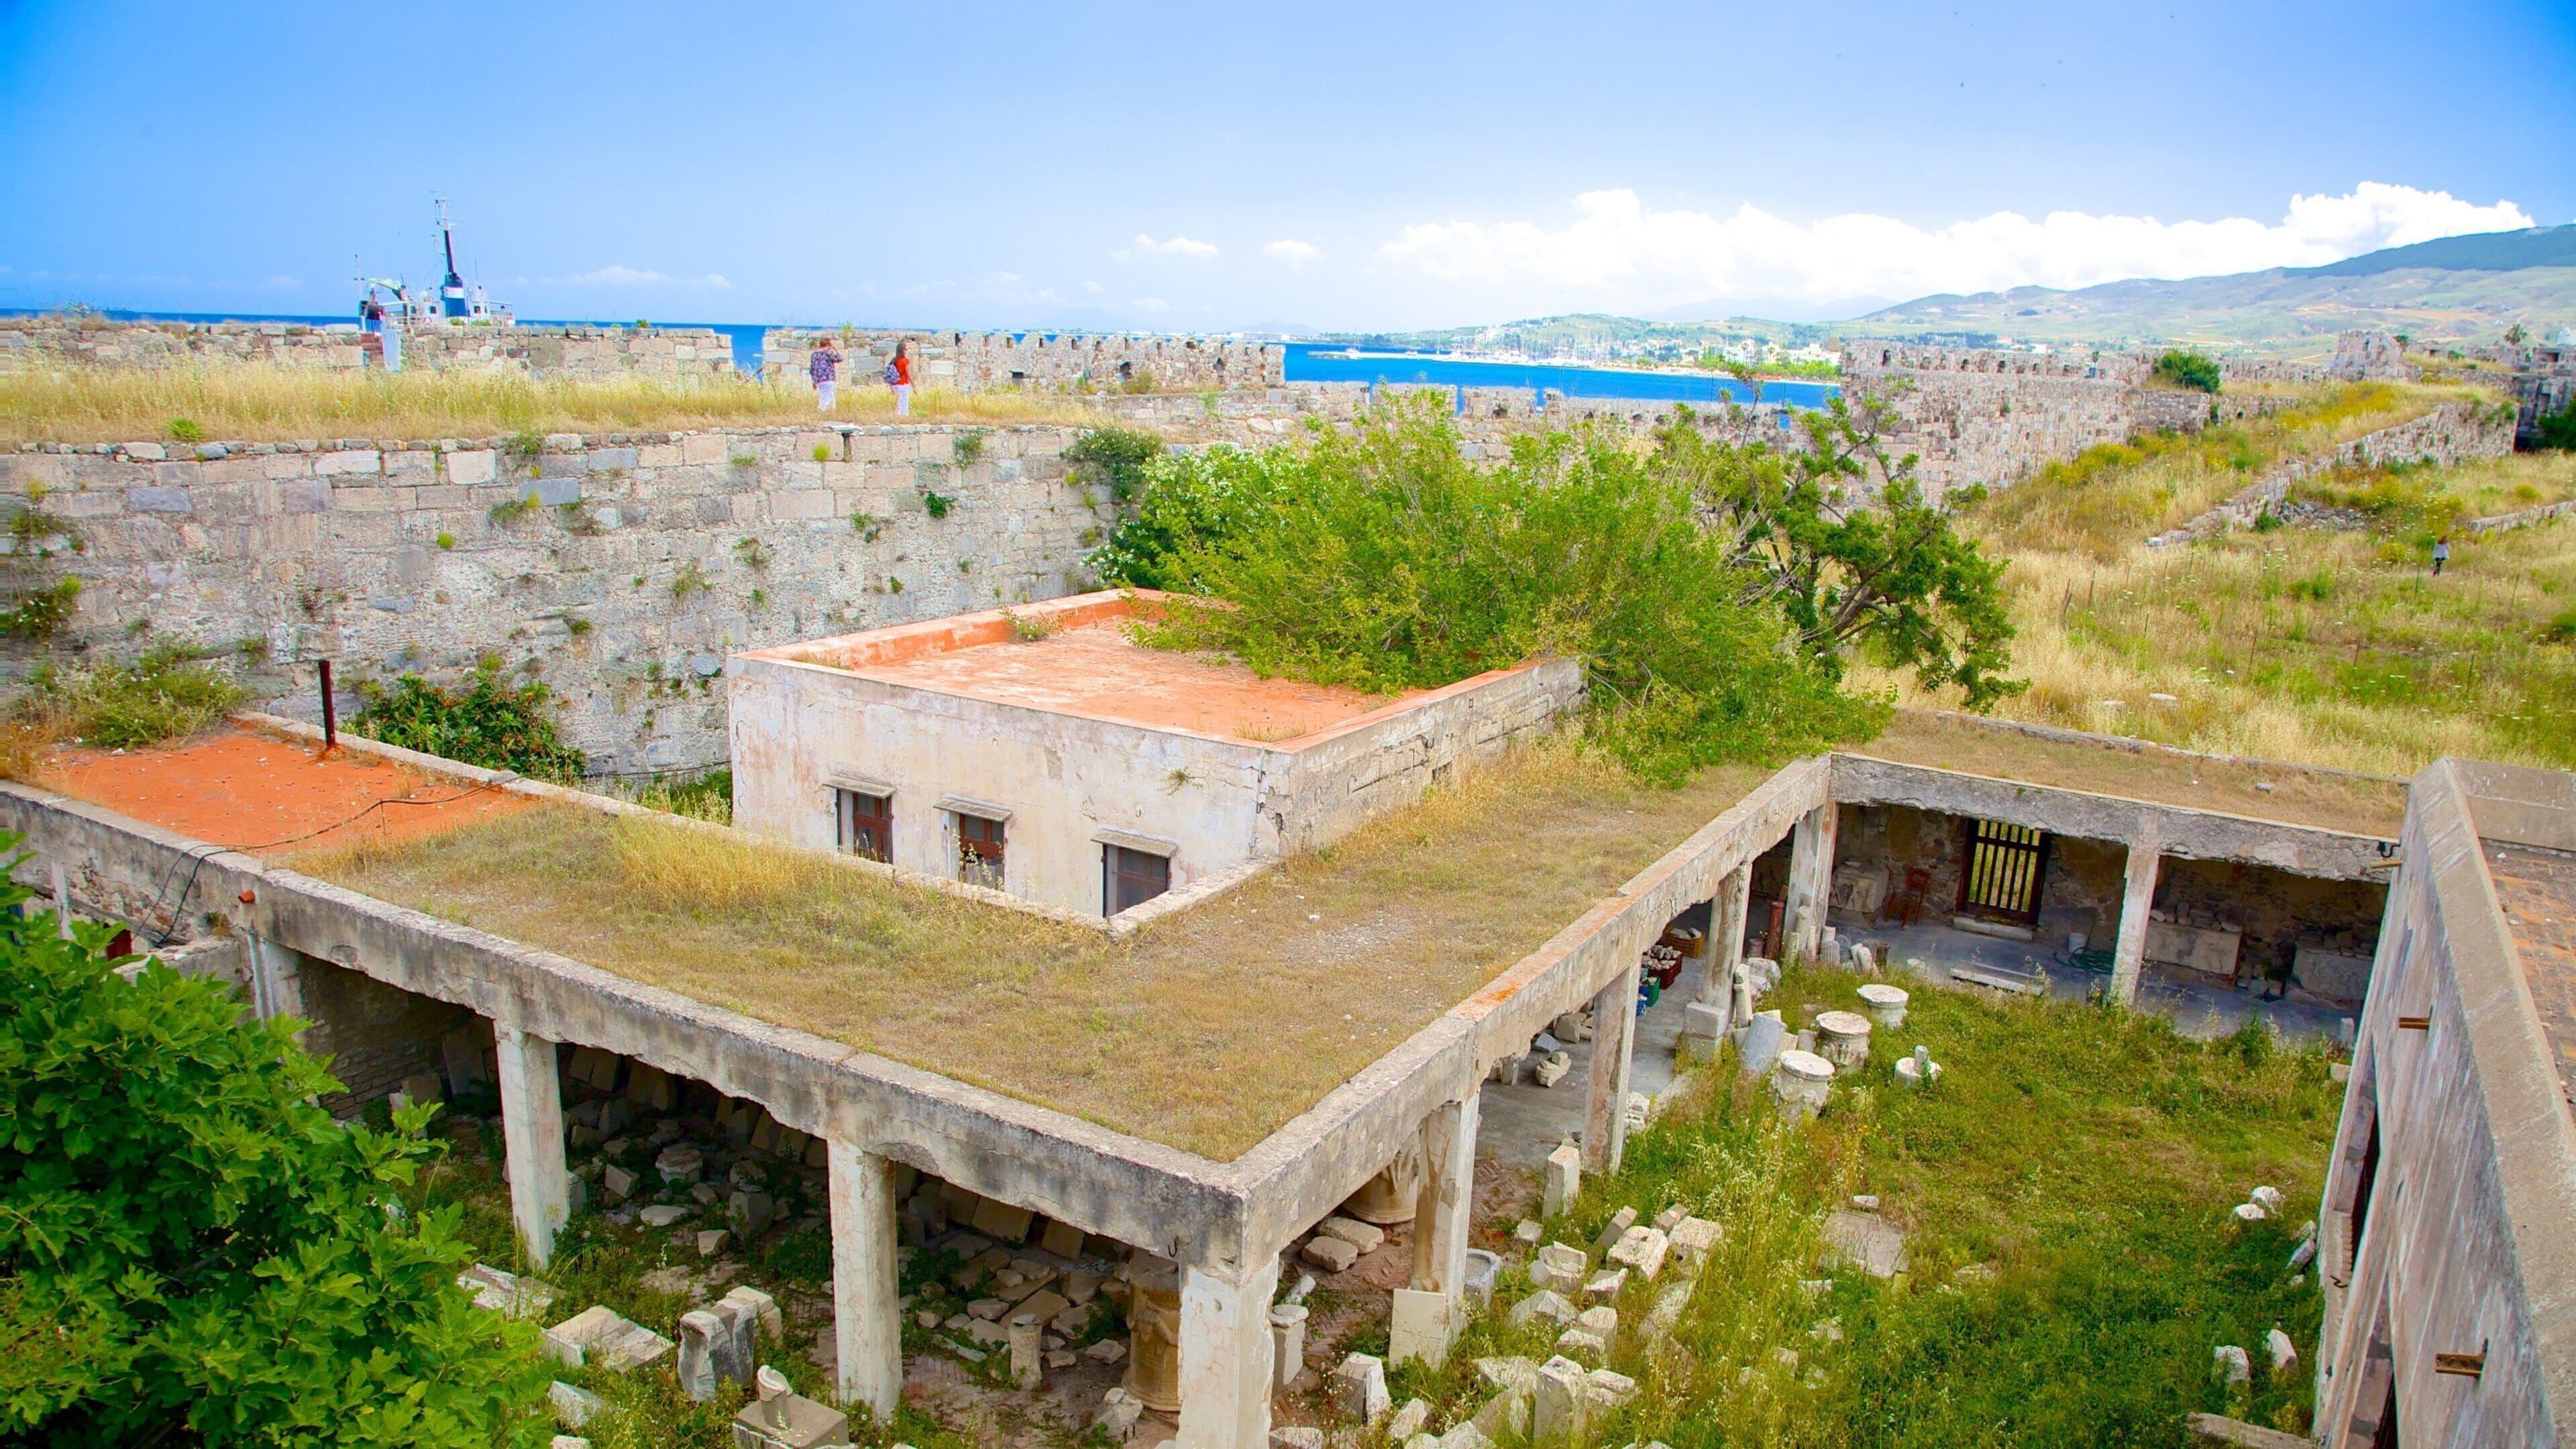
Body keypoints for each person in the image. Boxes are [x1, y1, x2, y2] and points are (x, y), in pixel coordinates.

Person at [809, 335, 844, 413]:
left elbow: (812, 369)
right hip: (828, 378)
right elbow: (840, 359)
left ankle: (832, 413)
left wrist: (813, 382)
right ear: (828, 344)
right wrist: (836, 348)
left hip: (819, 379)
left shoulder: (814, 355)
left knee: (831, 398)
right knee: (825, 399)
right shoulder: (828, 353)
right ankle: (821, 412)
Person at [887, 339, 912, 417]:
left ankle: (898, 416)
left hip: (895, 384)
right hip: (903, 384)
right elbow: (909, 375)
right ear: (903, 350)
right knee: (904, 401)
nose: (907, 351)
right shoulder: (905, 361)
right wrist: (914, 386)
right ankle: (904, 416)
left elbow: (890, 374)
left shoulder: (893, 361)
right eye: (906, 349)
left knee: (898, 402)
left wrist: (891, 387)